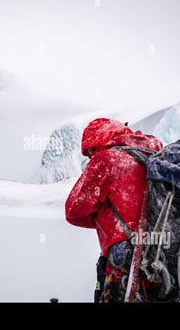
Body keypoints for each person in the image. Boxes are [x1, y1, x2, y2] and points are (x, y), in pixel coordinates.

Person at [65, 118, 162, 302]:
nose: (91, 156)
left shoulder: (107, 159)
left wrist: (104, 219)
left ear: (98, 141)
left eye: (91, 150)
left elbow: (73, 210)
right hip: (163, 258)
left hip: (126, 261)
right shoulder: (155, 154)